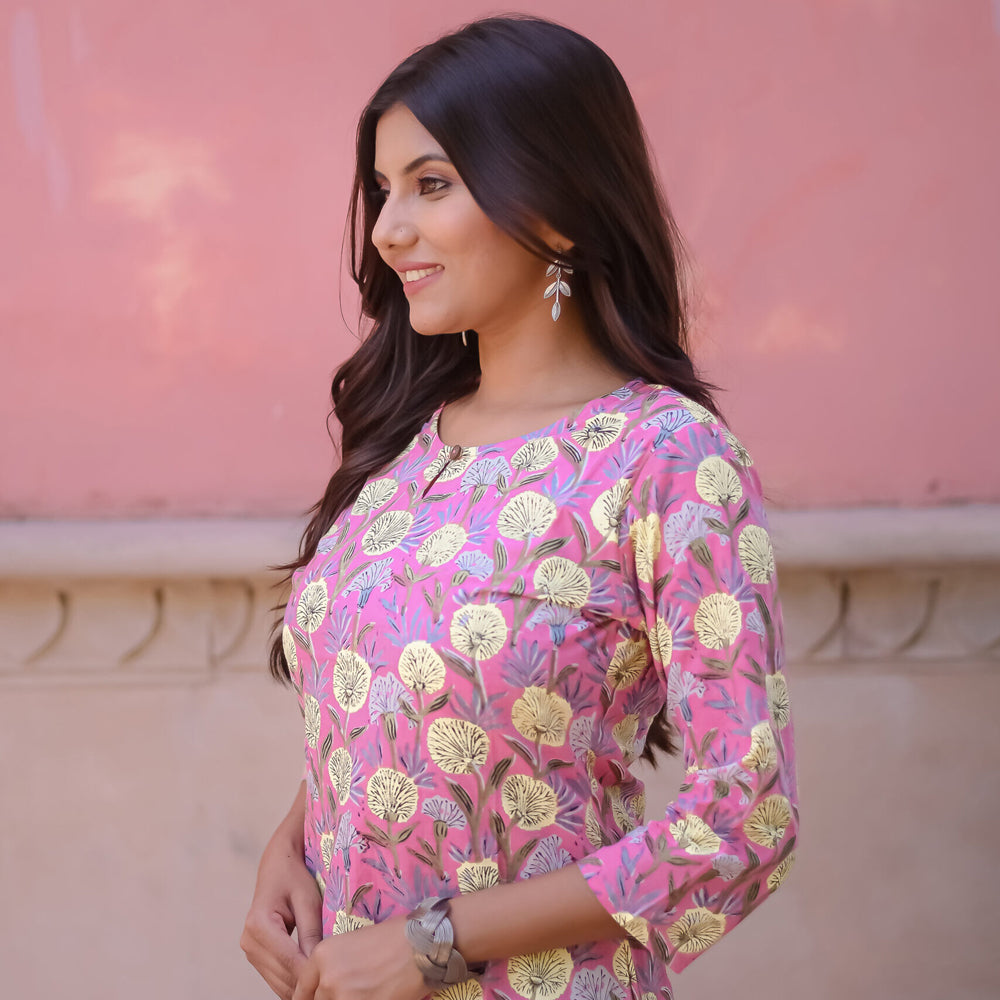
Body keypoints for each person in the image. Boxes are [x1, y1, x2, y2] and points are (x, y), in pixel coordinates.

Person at [241, 15, 798, 1000]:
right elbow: (410, 694)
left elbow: (744, 814)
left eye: (432, 183)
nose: (385, 229)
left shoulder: (663, 457)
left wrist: (435, 941)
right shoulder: (407, 447)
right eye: (381, 190)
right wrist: (293, 840)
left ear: (555, 202)